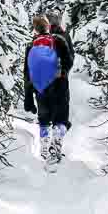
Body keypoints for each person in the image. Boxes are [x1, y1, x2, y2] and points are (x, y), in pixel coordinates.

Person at [23, 15, 73, 164]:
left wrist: (28, 98)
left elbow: (27, 73)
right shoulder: (59, 40)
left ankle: (44, 148)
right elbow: (69, 61)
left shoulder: (31, 45)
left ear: (35, 29)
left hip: (41, 89)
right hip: (60, 86)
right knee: (61, 119)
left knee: (44, 120)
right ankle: (56, 144)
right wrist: (62, 73)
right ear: (48, 27)